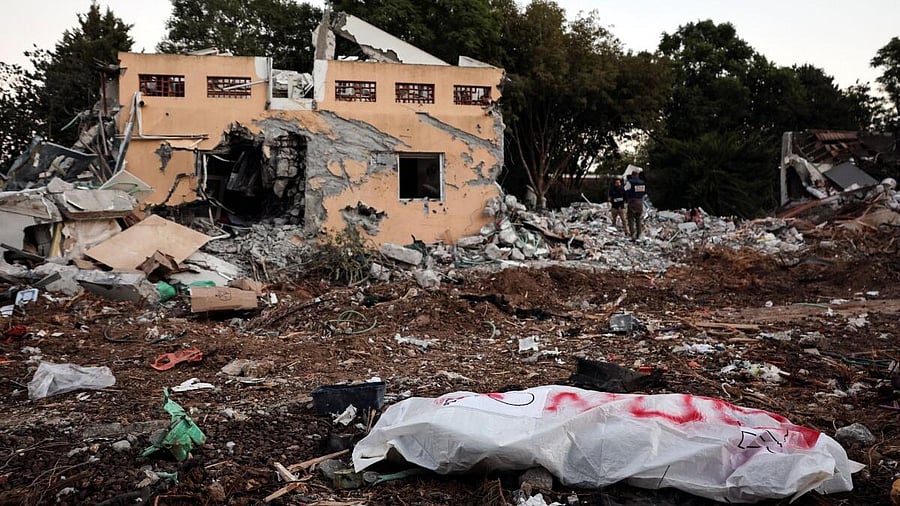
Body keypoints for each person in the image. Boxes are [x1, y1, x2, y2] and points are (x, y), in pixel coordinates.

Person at [625, 170, 646, 240]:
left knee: (631, 219)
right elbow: (643, 192)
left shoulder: (630, 182)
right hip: (640, 202)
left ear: (632, 175)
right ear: (638, 175)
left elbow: (625, 190)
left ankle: (632, 234)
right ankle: (639, 234)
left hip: (632, 202)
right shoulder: (642, 182)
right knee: (638, 219)